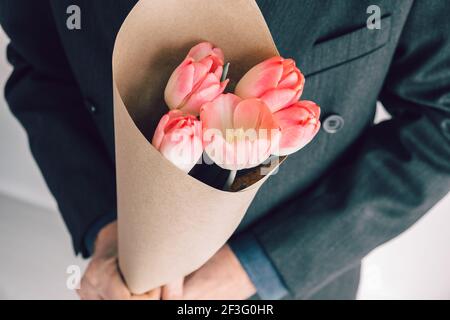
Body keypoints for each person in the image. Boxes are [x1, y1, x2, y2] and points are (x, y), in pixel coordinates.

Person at [1, 0, 449, 300]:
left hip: (295, 282)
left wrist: (257, 267)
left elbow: (441, 121)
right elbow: (41, 68)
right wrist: (108, 233)